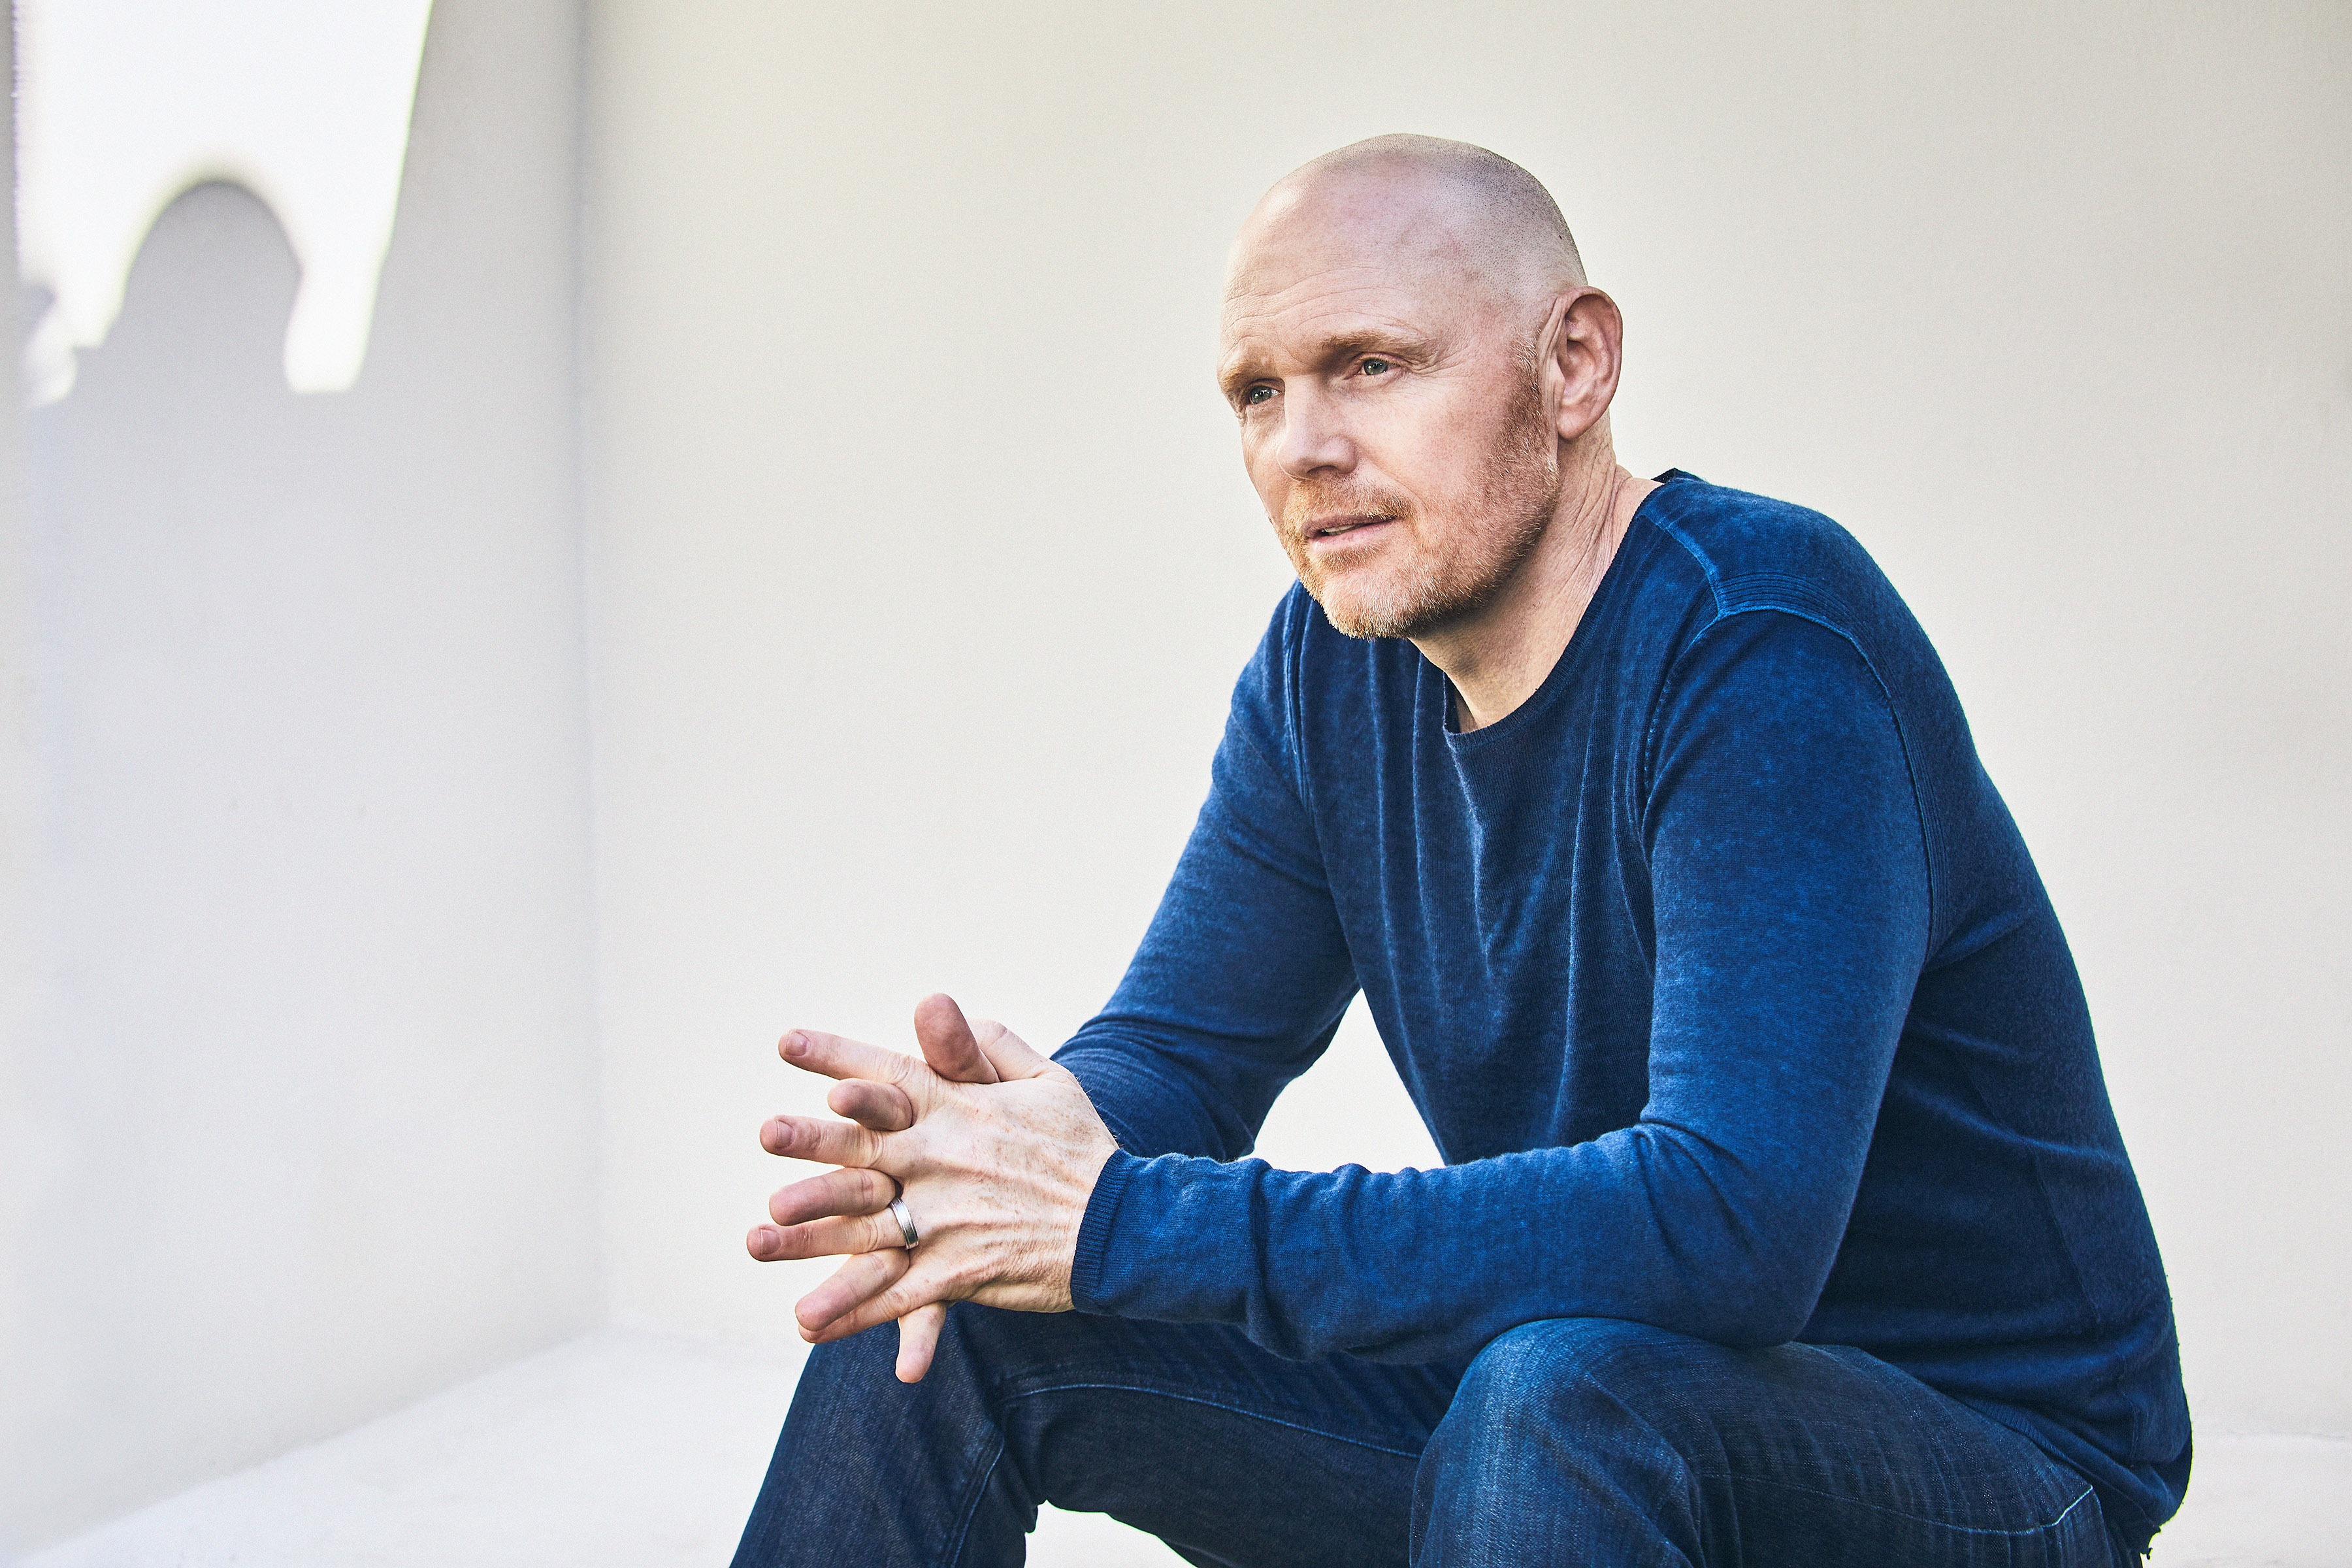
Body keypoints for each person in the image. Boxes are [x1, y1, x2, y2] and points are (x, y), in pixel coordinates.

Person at [729, 134, 2191, 1567]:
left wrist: (1128, 1219)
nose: (1305, 445)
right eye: (1256, 391)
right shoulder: (1332, 669)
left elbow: (1730, 1230)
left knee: (1560, 1398)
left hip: (1994, 1468)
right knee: (964, 1305)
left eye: (1371, 364)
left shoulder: (1761, 644)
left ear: (1574, 367)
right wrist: (1011, 1153)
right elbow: (1185, 1054)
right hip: (1586, 1425)